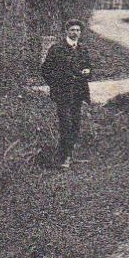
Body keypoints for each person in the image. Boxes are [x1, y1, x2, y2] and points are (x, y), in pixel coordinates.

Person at [40, 19, 93, 169]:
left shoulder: (83, 49)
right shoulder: (56, 49)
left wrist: (87, 72)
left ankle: (69, 153)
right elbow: (45, 70)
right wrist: (56, 85)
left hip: (78, 92)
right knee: (65, 123)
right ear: (66, 32)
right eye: (72, 30)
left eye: (78, 30)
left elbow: (89, 67)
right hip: (62, 93)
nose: (75, 32)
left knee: (75, 123)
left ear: (80, 32)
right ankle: (64, 157)